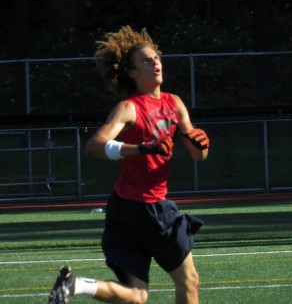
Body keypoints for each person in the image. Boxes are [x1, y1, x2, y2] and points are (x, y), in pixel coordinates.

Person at [48, 25, 210, 304]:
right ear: (133, 73)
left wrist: (201, 145)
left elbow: (198, 157)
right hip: (149, 209)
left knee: (136, 296)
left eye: (156, 57)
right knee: (189, 280)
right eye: (146, 60)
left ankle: (76, 285)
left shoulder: (175, 103)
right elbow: (94, 146)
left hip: (125, 208)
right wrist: (142, 148)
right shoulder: (130, 107)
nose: (155, 62)